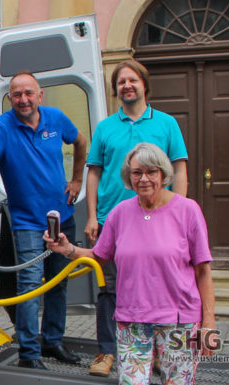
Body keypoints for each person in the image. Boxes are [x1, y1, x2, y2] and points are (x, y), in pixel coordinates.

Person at [46, 143, 217, 384]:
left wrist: (208, 324)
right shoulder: (120, 213)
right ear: (129, 176)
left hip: (179, 320)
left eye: (151, 172)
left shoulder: (188, 210)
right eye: (137, 173)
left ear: (163, 174)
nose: (144, 179)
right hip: (132, 319)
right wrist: (69, 250)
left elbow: (203, 271)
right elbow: (99, 256)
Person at [0, 71, 87, 369]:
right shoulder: (2, 128)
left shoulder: (56, 119)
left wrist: (78, 179)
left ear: (40, 95)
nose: (23, 99)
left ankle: (52, 342)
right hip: (27, 223)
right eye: (17, 94)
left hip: (62, 216)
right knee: (30, 287)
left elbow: (81, 142)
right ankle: (29, 355)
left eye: (29, 93)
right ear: (10, 98)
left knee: (59, 283)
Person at [84, 60, 189, 376]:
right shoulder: (105, 128)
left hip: (158, 220)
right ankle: (107, 352)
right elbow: (94, 173)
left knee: (157, 286)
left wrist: (179, 212)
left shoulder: (167, 124)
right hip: (111, 221)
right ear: (115, 89)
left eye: (132, 80)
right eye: (121, 82)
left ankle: (154, 350)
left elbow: (179, 168)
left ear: (144, 85)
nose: (127, 85)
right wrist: (92, 216)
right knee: (109, 288)